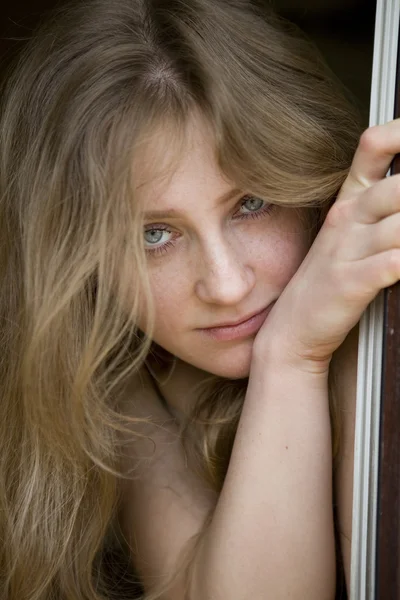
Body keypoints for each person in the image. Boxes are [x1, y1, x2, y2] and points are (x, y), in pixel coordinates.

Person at [0, 0, 395, 598]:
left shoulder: (380, 335)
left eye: (252, 203)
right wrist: (290, 359)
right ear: (80, 263)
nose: (228, 285)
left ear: (312, 185)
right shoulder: (119, 376)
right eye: (153, 236)